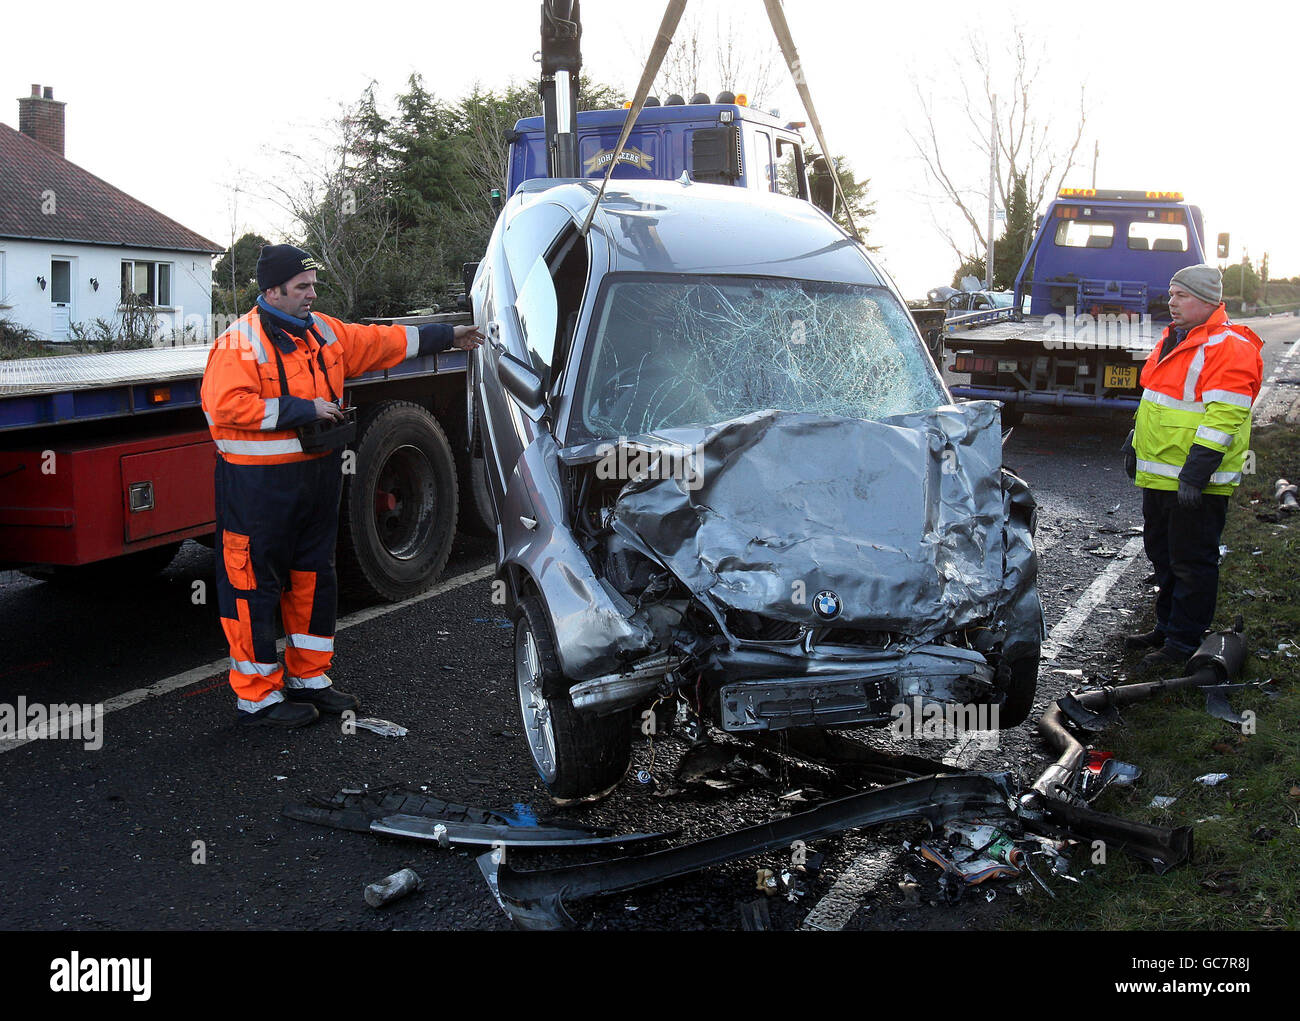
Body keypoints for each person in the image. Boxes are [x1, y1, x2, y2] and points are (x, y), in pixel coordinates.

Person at [200, 244, 483, 727]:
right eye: (302, 287)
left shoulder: (325, 332)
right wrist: (303, 409)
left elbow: (385, 341)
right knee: (252, 586)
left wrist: (449, 336)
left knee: (314, 575)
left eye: (313, 285)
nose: (312, 294)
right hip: (256, 489)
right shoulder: (238, 344)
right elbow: (222, 406)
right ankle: (258, 699)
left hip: (314, 479)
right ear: (272, 291)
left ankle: (310, 678)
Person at [1123, 264, 1262, 672]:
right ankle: (1167, 627)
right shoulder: (1175, 338)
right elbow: (1158, 400)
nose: (1172, 301)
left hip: (1195, 481)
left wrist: (1196, 472)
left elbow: (1225, 417)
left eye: (1181, 295)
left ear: (1206, 301)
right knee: (1163, 555)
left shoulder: (1228, 345)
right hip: (1163, 475)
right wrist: (1133, 441)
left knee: (1191, 561)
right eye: (1171, 294)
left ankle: (1183, 641)